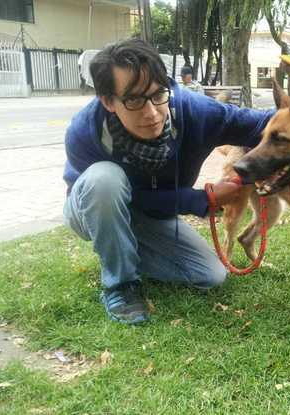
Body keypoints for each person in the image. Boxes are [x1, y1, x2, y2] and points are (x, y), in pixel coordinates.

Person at [62, 39, 274, 325]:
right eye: (134, 100)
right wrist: (201, 200)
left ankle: (119, 247)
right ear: (108, 101)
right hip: (91, 207)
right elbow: (131, 195)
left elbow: (260, 122)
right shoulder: (84, 131)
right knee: (105, 180)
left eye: (157, 94)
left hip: (150, 216)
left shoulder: (192, 110)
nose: (151, 113)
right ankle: (121, 285)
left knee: (211, 275)